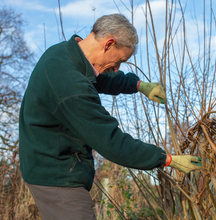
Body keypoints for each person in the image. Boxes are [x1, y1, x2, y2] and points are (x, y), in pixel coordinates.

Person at [19, 14, 202, 219]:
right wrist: (165, 159)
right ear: (109, 44)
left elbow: (101, 76)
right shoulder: (70, 85)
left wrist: (137, 85)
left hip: (53, 164)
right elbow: (111, 141)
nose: (117, 68)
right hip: (56, 175)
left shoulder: (65, 53)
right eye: (120, 61)